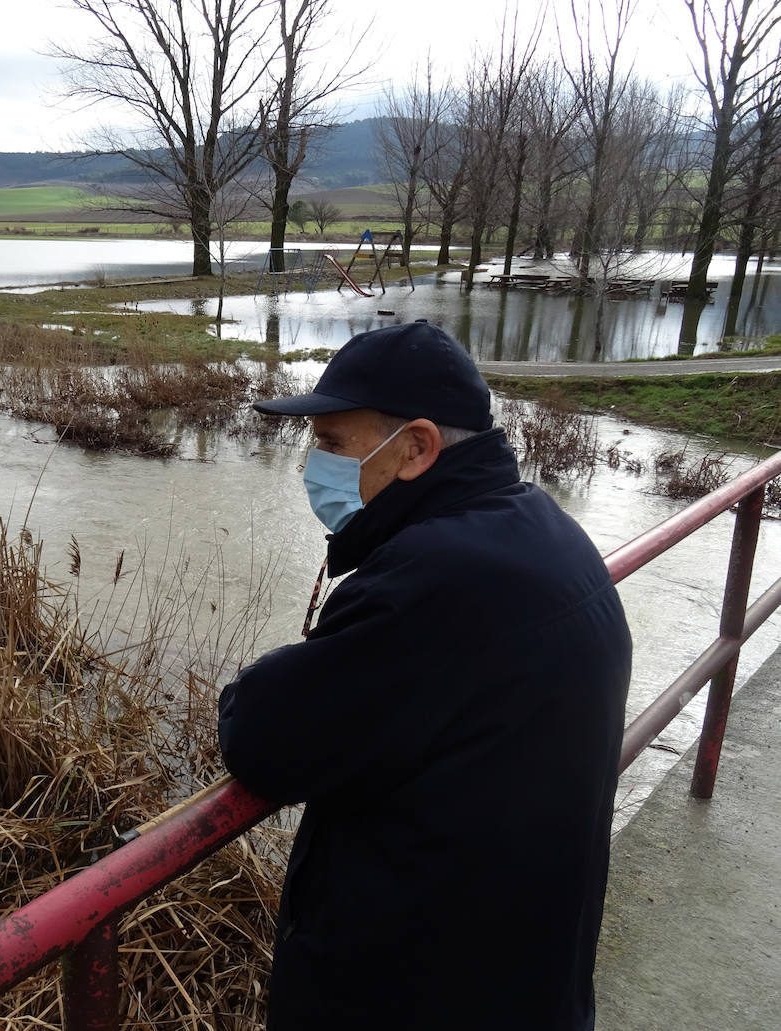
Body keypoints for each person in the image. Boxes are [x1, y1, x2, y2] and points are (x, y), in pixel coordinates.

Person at [217, 321, 632, 1029]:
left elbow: (261, 733)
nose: (313, 469)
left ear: (416, 448)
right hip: (526, 975)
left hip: (423, 990)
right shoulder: (542, 527)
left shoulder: (435, 580)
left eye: (331, 445)